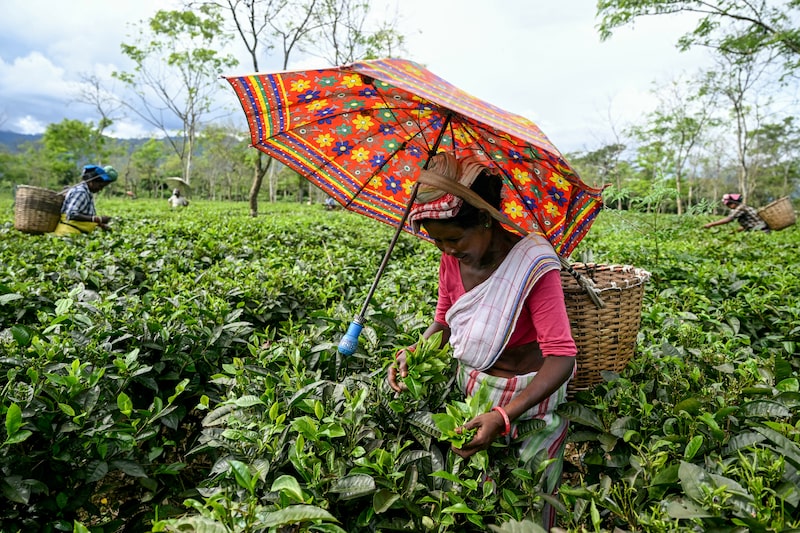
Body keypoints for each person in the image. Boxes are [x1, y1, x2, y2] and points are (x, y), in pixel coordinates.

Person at [387, 152, 576, 530]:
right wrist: (414, 351)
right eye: (438, 243)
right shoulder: (450, 260)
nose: (448, 252)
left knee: (529, 501)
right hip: (474, 389)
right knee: (480, 497)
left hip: (529, 399)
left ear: (486, 220)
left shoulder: (533, 265)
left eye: (455, 239)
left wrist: (504, 415)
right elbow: (443, 323)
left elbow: (561, 356)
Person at [53, 164, 117, 236]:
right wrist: (98, 219)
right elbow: (71, 214)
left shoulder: (87, 192)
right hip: (67, 234)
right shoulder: (80, 192)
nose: (100, 189)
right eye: (100, 186)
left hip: (74, 234)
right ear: (91, 182)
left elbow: (84, 215)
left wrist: (101, 225)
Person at [703, 193, 769, 232]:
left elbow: (728, 219)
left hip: (761, 231)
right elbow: (748, 225)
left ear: (735, 202)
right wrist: (734, 232)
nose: (728, 206)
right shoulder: (742, 208)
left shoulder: (741, 208)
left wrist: (710, 224)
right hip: (757, 230)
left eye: (729, 204)